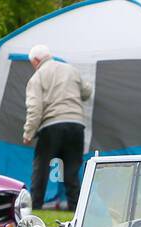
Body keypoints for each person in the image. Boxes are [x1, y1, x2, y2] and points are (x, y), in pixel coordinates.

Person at [22, 44, 91, 210]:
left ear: (36, 61)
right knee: (72, 170)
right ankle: (76, 208)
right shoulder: (70, 70)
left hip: (51, 126)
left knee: (41, 169)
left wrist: (28, 133)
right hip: (76, 125)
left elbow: (35, 109)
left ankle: (36, 206)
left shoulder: (37, 77)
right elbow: (87, 91)